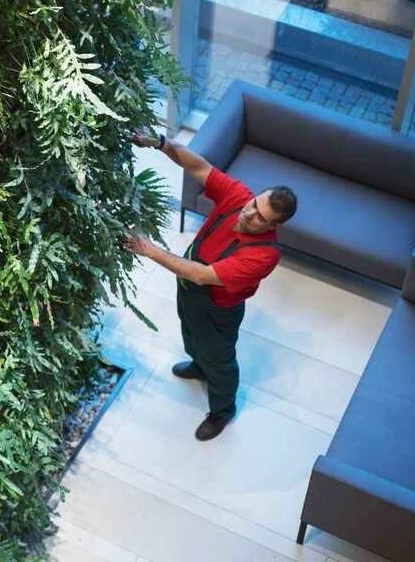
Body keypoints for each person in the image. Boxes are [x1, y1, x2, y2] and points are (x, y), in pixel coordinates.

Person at [124, 132, 297, 441]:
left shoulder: (264, 255)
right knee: (189, 332)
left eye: (260, 217)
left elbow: (203, 275)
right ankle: (197, 365)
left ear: (275, 226)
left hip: (218, 309)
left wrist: (149, 249)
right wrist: (161, 144)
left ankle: (222, 410)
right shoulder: (240, 198)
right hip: (189, 291)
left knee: (220, 360)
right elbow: (199, 167)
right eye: (254, 204)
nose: (249, 213)